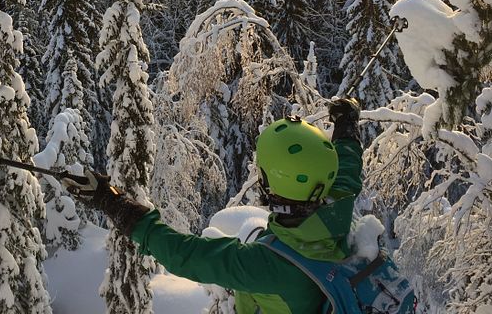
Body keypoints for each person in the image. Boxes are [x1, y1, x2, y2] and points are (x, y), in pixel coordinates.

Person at [65, 98, 363, 314]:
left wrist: (111, 202)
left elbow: (184, 254)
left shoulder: (265, 266)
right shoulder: (336, 207)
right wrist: (347, 123)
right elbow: (346, 167)